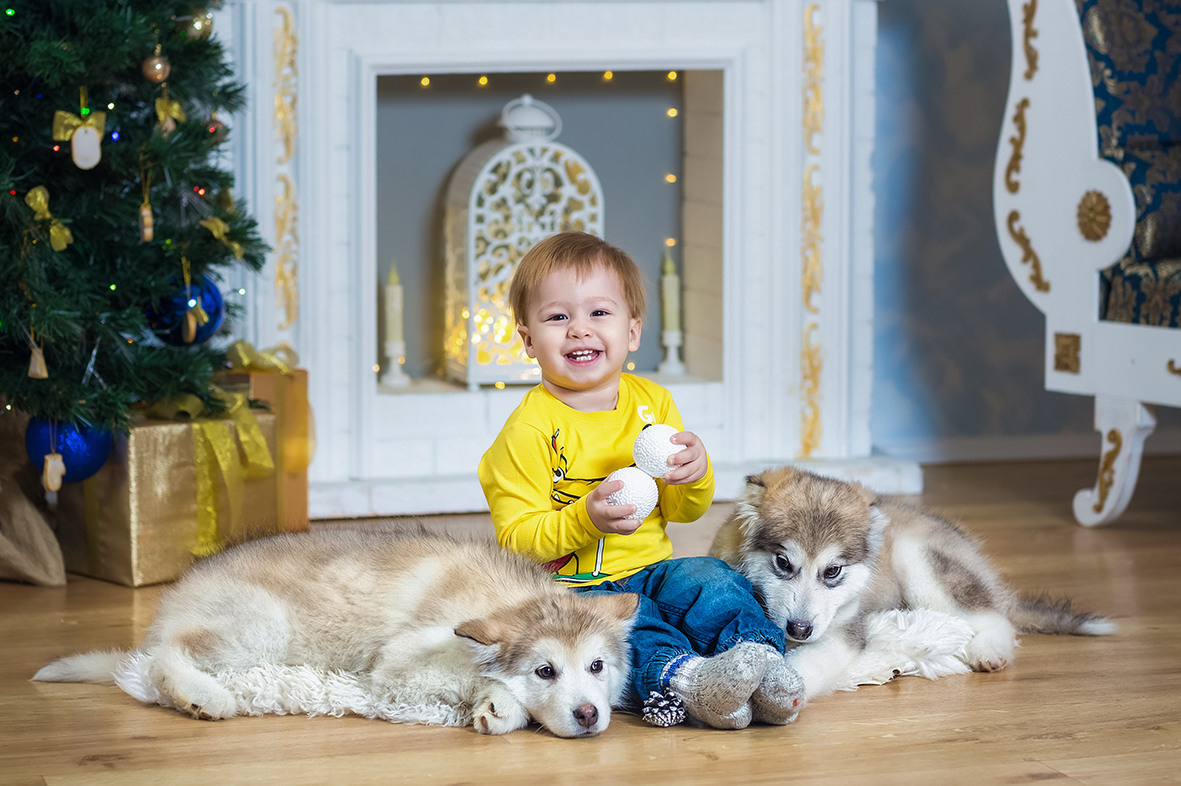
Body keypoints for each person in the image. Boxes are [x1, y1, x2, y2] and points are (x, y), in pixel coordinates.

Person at [478, 231, 803, 729]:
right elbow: (517, 542)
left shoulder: (653, 404)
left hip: (654, 568)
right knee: (634, 630)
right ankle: (689, 682)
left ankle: (763, 663)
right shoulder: (527, 432)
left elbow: (684, 511)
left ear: (632, 332)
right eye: (558, 316)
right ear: (527, 340)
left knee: (712, 581)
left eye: (599, 313)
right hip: (576, 588)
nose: (579, 330)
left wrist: (695, 474)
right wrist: (584, 518)